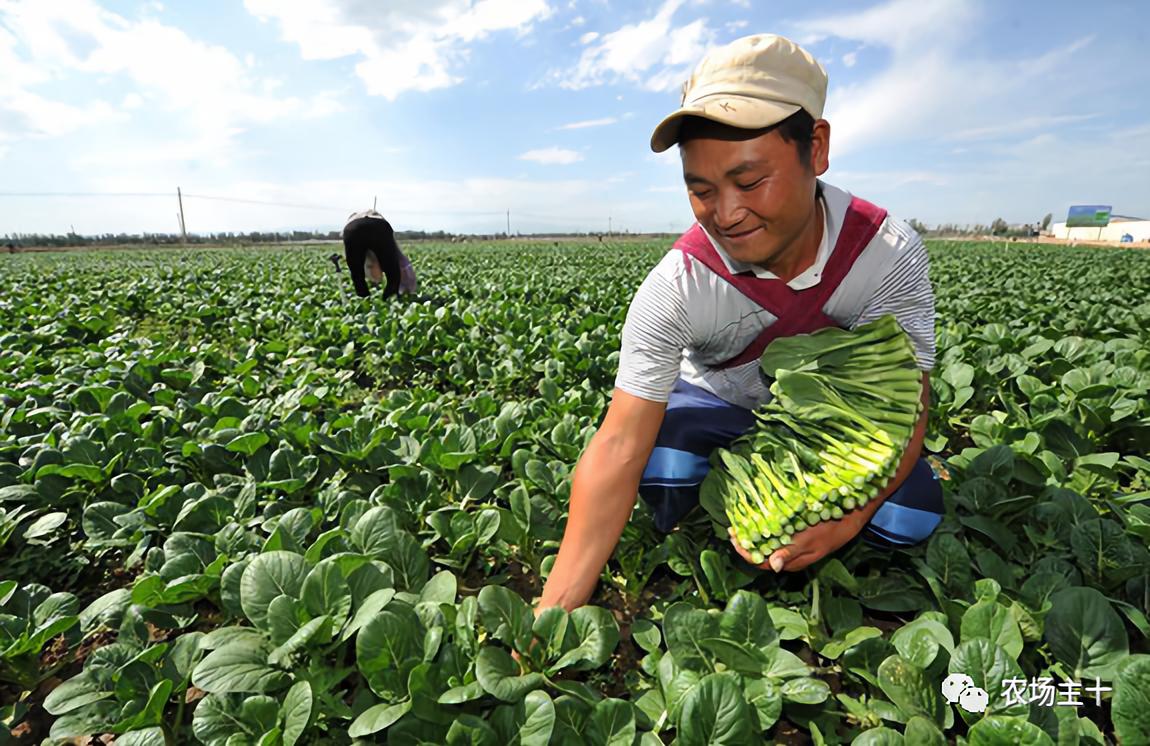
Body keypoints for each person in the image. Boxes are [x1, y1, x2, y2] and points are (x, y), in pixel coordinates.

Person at [537, 34, 943, 613]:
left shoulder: (886, 255)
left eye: (750, 182)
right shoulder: (679, 285)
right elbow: (620, 443)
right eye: (701, 191)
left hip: (828, 432)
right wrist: (557, 605)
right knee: (660, 463)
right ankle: (712, 505)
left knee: (908, 516)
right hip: (716, 410)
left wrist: (846, 519)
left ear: (817, 148)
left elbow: (910, 407)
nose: (726, 214)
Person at [341, 209, 417, 298]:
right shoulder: (378, 219)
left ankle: (364, 299)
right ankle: (389, 300)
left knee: (357, 275)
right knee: (393, 275)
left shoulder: (351, 221)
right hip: (379, 227)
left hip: (352, 230)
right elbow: (395, 255)